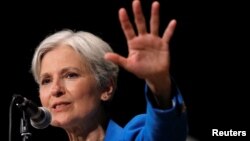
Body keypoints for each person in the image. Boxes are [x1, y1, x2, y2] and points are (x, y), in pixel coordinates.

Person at [30, 0, 187, 140]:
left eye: (71, 75)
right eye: (46, 80)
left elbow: (165, 134)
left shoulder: (134, 137)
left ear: (106, 88)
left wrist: (158, 82)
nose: (56, 89)